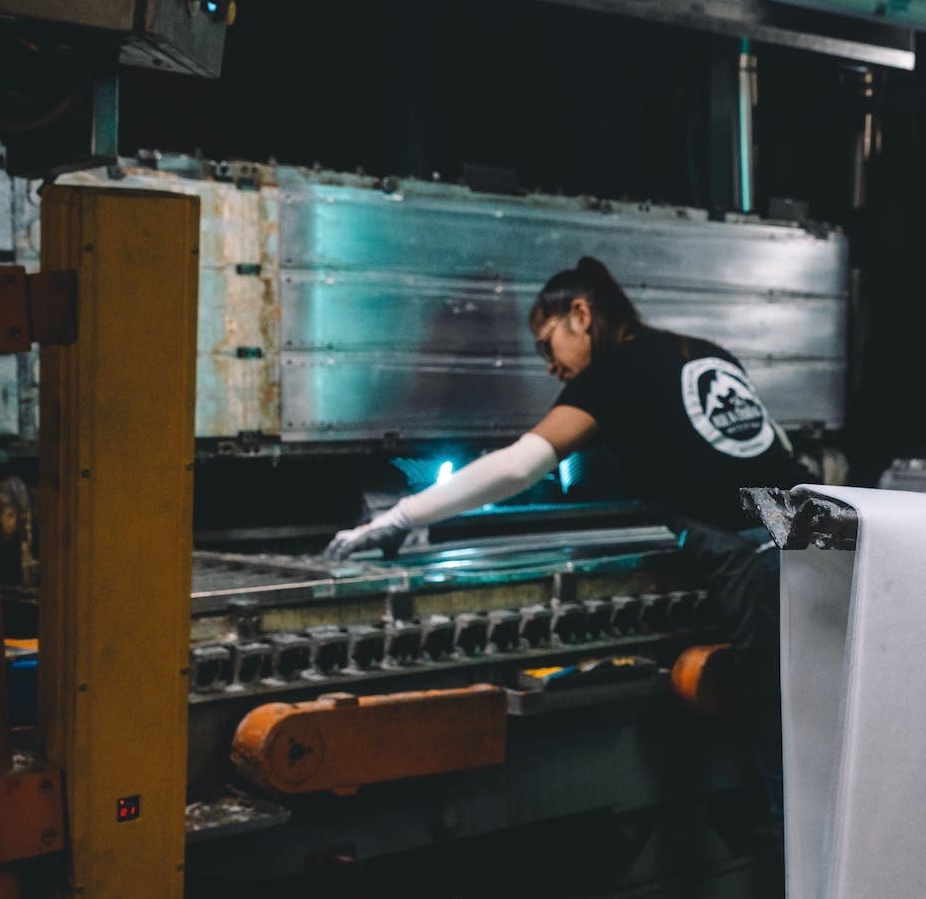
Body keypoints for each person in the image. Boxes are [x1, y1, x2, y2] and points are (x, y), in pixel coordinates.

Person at [324, 256, 810, 810]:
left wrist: (399, 516)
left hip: (757, 559)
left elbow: (517, 466)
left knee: (790, 763)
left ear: (580, 314)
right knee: (828, 739)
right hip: (814, 533)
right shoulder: (701, 352)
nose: (551, 366)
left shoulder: (614, 372)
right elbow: (778, 451)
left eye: (546, 343)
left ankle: (800, 864)